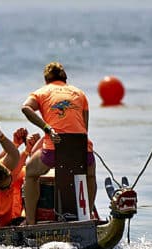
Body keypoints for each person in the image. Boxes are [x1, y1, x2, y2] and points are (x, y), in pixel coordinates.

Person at [21, 61, 96, 224]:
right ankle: (87, 217)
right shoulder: (79, 93)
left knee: (30, 173)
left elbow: (25, 108)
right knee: (90, 175)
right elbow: (85, 127)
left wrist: (46, 128)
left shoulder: (41, 92)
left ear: (46, 80)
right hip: (82, 149)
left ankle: (30, 222)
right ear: (65, 78)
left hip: (54, 147)